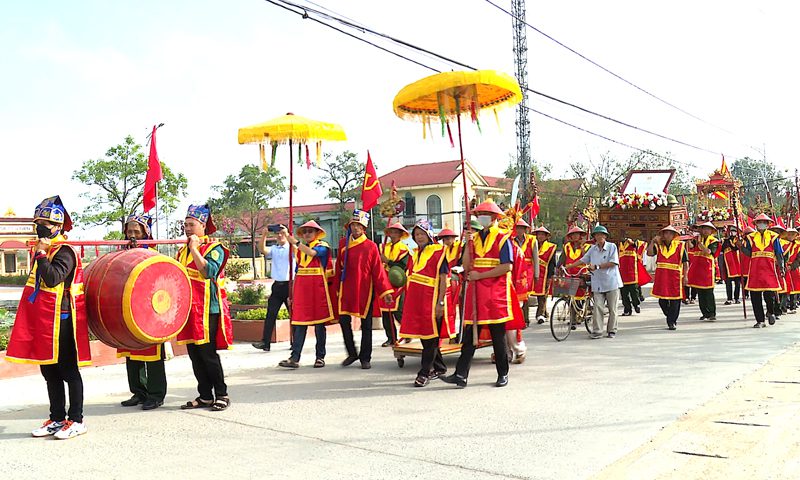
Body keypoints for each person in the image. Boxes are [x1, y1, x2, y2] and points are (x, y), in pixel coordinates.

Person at [6, 196, 90, 439]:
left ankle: (76, 420)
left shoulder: (64, 251)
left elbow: (53, 278)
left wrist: (41, 255)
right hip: (44, 319)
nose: (40, 227)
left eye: (45, 223)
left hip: (62, 319)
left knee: (68, 370)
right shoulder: (45, 249)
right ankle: (57, 418)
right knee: (49, 370)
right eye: (38, 223)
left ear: (58, 226)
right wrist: (41, 253)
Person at [442, 200, 514, 388]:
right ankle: (460, 374)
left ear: (494, 217)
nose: (482, 217)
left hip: (495, 292)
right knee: (468, 336)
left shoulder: (503, 238)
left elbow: (507, 267)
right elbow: (466, 266)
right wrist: (468, 244)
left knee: (497, 336)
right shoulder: (473, 239)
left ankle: (503, 373)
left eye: (485, 214)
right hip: (476, 291)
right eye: (479, 214)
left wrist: (480, 275)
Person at [177, 204, 233, 411]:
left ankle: (222, 394)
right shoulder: (181, 252)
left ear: (203, 226)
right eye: (185, 225)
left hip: (208, 308)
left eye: (191, 225)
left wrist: (194, 248)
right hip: (189, 310)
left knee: (208, 354)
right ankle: (205, 396)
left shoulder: (214, 248)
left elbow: (208, 271)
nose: (187, 229)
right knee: (195, 355)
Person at [117, 214, 167, 411]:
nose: (132, 235)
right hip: (128, 310)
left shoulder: (153, 255)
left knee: (152, 355)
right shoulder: (122, 255)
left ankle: (156, 395)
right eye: (129, 231)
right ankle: (139, 392)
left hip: (150, 312)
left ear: (145, 233)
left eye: (136, 232)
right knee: (131, 353)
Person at [335, 210, 394, 369]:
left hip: (365, 289)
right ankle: (352, 353)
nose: (355, 228)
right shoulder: (343, 244)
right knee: (344, 321)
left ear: (364, 229)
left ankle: (365, 357)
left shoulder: (371, 246)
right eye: (353, 225)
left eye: (359, 225)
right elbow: (338, 267)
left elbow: (378, 271)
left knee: (366, 325)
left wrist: (386, 291)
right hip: (346, 288)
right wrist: (336, 287)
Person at [398, 219, 454, 387]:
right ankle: (440, 367)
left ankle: (424, 372)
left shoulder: (439, 252)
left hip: (432, 299)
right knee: (425, 336)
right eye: (416, 234)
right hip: (416, 301)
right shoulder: (415, 253)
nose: (419, 237)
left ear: (429, 234)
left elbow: (443, 279)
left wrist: (440, 302)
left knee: (431, 338)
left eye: (422, 234)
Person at [279, 221, 336, 368]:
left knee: (319, 325)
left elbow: (312, 253)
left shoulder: (323, 246)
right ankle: (295, 357)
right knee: (299, 324)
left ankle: (320, 357)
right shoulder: (299, 251)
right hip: (302, 290)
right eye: (304, 232)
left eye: (310, 231)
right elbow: (297, 272)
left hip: (317, 290)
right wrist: (292, 294)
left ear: (317, 233)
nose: (307, 234)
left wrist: (294, 242)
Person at [567, 225, 623, 338]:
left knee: (612, 309)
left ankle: (612, 330)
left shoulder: (611, 247)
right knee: (598, 308)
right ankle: (597, 331)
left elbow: (613, 263)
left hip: (611, 282)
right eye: (597, 235)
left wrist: (597, 266)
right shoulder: (593, 249)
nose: (599, 237)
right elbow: (583, 260)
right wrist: (570, 266)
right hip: (597, 282)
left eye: (602, 235)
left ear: (605, 236)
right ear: (594, 237)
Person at [252, 225, 292, 351]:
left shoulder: (292, 248)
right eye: (277, 233)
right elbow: (262, 249)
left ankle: (296, 342)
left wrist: (288, 235)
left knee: (294, 316)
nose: (280, 236)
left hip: (290, 285)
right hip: (277, 286)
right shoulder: (274, 248)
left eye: (282, 233)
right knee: (271, 314)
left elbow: (297, 250)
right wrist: (264, 235)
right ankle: (265, 342)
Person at [741, 214, 784, 327]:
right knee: (755, 296)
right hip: (755, 270)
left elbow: (779, 253)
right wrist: (741, 247)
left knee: (769, 294)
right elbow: (749, 253)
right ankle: (760, 320)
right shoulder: (751, 237)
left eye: (764, 222)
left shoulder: (774, 237)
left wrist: (782, 267)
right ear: (755, 224)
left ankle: (770, 312)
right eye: (759, 222)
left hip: (769, 269)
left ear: (768, 224)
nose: (762, 224)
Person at [648, 226, 689, 330]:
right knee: (662, 301)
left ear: (674, 235)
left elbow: (685, 263)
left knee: (675, 300)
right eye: (666, 233)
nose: (668, 235)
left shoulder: (680, 246)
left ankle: (672, 321)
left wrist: (685, 276)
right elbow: (649, 253)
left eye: (670, 233)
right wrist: (652, 242)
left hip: (675, 276)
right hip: (662, 277)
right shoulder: (659, 246)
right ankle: (670, 315)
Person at [379, 222, 412, 347]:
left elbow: (403, 266)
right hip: (384, 280)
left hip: (397, 282)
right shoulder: (383, 247)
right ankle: (391, 338)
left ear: (400, 235)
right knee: (385, 312)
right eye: (391, 232)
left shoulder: (404, 249)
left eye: (396, 232)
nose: (393, 235)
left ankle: (407, 333)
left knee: (398, 311)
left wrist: (388, 261)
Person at [687, 222, 720, 321]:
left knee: (709, 292)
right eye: (704, 229)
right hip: (697, 267)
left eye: (708, 229)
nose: (705, 231)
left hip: (707, 268)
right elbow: (691, 246)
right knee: (700, 292)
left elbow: (708, 252)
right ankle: (704, 313)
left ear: (711, 231)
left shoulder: (714, 241)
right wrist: (688, 239)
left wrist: (700, 244)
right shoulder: (696, 239)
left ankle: (712, 313)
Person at [512, 219, 539, 327]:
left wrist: (536, 274)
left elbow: (535, 258)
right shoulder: (510, 240)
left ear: (525, 230)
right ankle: (516, 319)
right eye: (517, 228)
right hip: (515, 269)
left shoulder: (532, 240)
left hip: (527, 271)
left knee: (525, 296)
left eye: (521, 228)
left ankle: (525, 319)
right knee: (514, 295)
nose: (519, 230)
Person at [531, 225, 556, 324]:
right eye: (539, 234)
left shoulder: (551, 247)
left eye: (542, 235)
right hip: (533, 272)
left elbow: (552, 263)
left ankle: (539, 314)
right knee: (535, 293)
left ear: (546, 237)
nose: (540, 236)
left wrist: (550, 276)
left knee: (543, 294)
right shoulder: (532, 245)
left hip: (545, 273)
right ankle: (545, 313)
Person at [618, 236, 649, 316]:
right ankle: (627, 309)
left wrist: (632, 242)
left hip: (632, 274)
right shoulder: (618, 245)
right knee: (624, 295)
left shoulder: (634, 244)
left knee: (634, 292)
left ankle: (636, 304)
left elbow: (640, 246)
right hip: (622, 275)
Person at [720, 225, 742, 305]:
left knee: (737, 282)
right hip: (728, 263)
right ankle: (729, 298)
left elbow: (736, 248)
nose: (733, 232)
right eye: (732, 231)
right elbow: (721, 250)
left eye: (735, 231)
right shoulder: (725, 241)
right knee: (728, 282)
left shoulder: (739, 240)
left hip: (737, 262)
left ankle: (736, 298)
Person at [785, 227, 800, 314]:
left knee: (794, 288)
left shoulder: (798, 246)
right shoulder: (783, 243)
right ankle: (784, 306)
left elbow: (798, 259)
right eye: (789, 234)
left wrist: (792, 266)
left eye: (792, 234)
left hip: (793, 268)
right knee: (785, 287)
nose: (790, 236)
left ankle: (792, 306)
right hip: (784, 267)